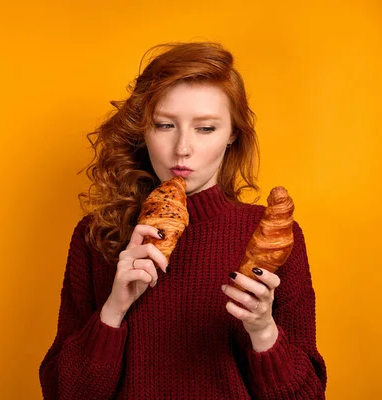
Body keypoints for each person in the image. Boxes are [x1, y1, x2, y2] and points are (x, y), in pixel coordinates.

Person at [39, 42, 327, 399]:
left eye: (205, 128)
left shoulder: (272, 238)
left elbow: (309, 396)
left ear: (232, 134)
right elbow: (61, 392)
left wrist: (263, 331)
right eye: (164, 125)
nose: (182, 149)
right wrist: (113, 310)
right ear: (143, 130)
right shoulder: (97, 235)